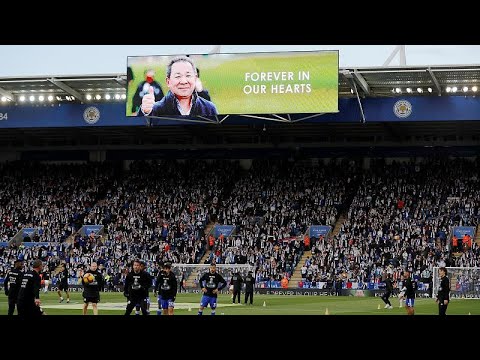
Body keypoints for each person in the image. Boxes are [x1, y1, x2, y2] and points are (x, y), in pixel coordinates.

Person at [139, 56, 218, 117]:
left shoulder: (209, 108)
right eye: (178, 76)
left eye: (188, 75)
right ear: (168, 81)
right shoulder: (156, 110)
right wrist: (144, 112)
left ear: (195, 78)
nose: (183, 81)